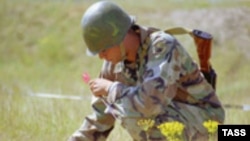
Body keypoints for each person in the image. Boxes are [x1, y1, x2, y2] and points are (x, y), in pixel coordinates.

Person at [68, 1, 225, 141]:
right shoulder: (114, 62)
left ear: (119, 37)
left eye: (103, 49)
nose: (101, 56)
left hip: (207, 122)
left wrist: (110, 88)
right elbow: (100, 119)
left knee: (136, 115)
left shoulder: (161, 46)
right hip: (175, 118)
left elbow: (149, 105)